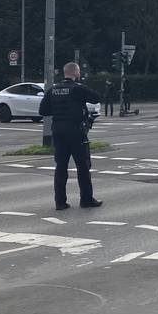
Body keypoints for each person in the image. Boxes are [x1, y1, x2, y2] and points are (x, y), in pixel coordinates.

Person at [39, 62, 103, 211]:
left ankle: (60, 202)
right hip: (76, 131)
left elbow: (43, 110)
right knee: (83, 166)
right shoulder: (77, 89)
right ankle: (86, 199)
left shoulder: (53, 89)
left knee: (61, 167)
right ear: (76, 73)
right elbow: (96, 98)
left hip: (58, 131)